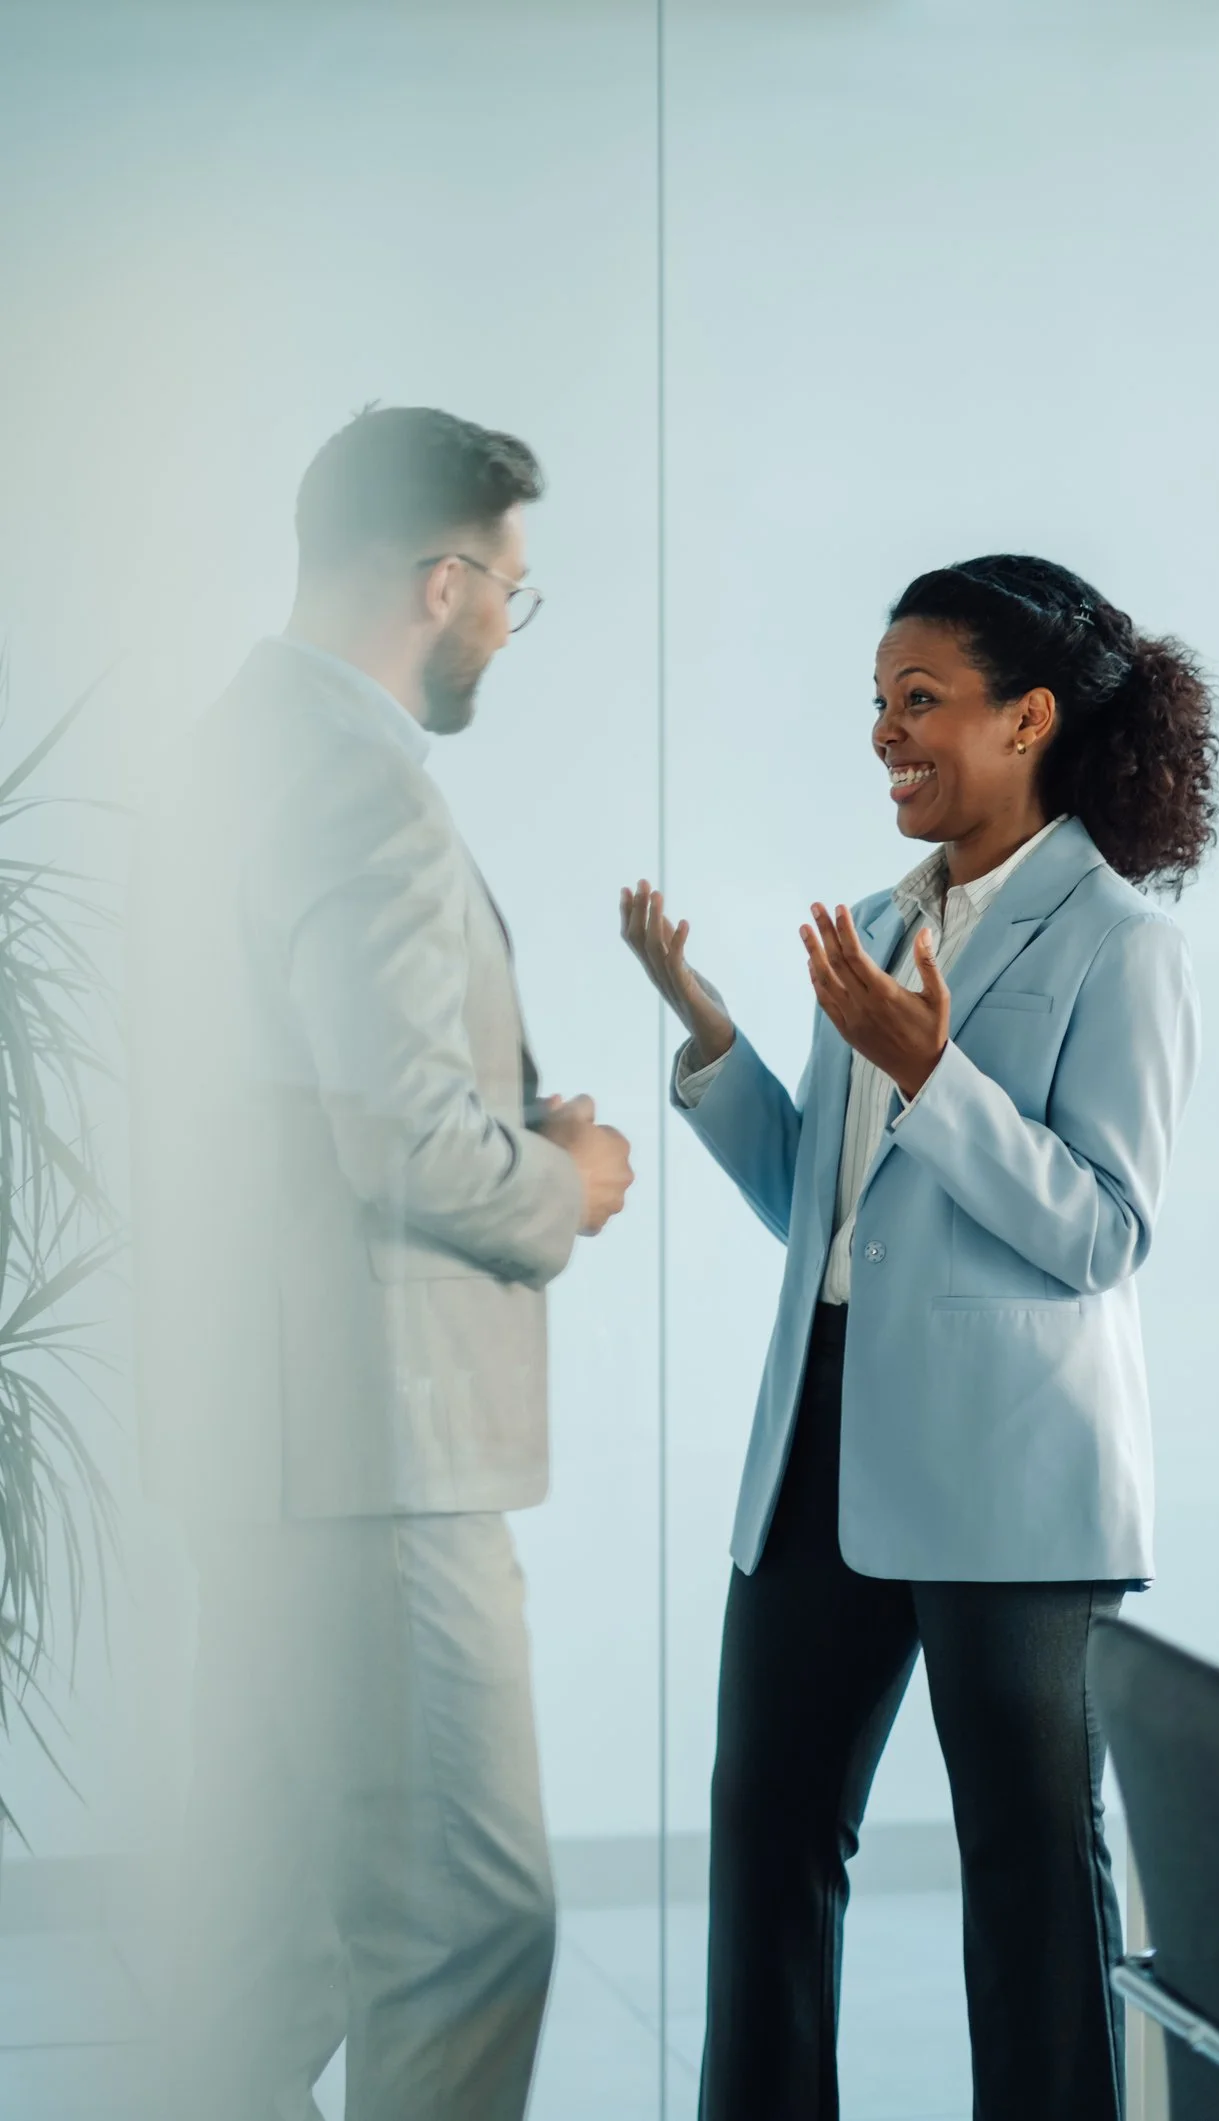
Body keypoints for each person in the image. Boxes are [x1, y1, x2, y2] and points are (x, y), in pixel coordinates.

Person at [621, 554, 1219, 2121]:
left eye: (918, 701)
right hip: (821, 1432)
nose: (886, 734)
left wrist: (931, 1076)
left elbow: (1099, 1231)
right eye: (876, 705)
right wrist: (711, 1038)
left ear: (1026, 720)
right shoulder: (885, 925)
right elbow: (822, 1218)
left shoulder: (1118, 942)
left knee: (1026, 1864)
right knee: (765, 1830)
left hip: (1010, 1477)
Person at [128, 406, 634, 2121]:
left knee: (270, 1949)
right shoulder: (364, 790)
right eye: (511, 589)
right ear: (441, 580)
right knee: (466, 1935)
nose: (508, 622)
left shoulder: (226, 752)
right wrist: (567, 1174)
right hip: (377, 1457)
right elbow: (407, 1142)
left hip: (257, 1448)